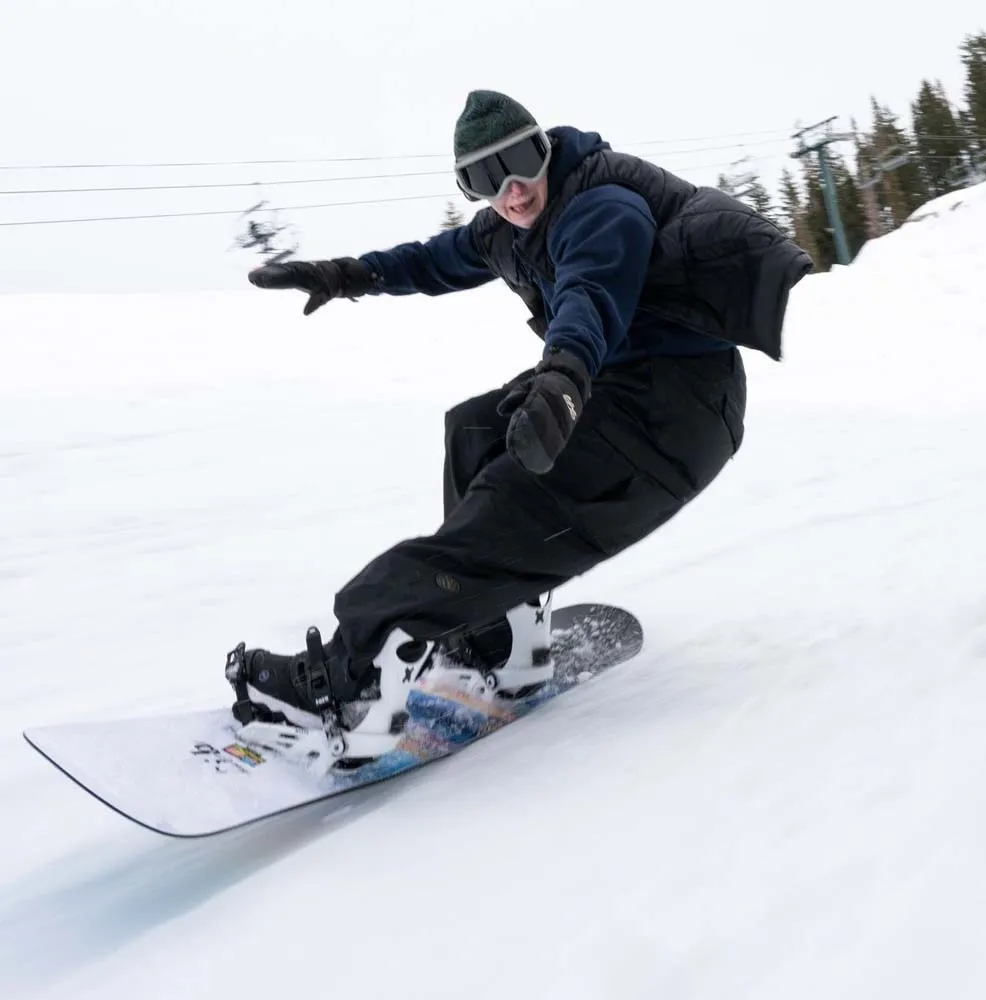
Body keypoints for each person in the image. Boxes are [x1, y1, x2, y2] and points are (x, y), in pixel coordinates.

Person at [226, 90, 813, 765]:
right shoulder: (504, 229)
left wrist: (561, 381)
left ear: (546, 149)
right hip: (621, 385)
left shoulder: (603, 206)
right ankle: (501, 643)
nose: (511, 190)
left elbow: (589, 297)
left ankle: (349, 688)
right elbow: (430, 260)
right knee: (474, 432)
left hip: (673, 413)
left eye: (522, 162)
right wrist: (346, 274)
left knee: (502, 511)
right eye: (484, 178)